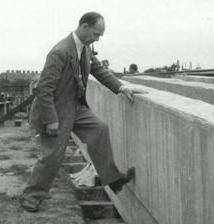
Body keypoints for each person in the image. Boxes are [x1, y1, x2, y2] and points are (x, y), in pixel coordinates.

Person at [20, 11, 146, 212]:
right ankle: (31, 198)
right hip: (55, 110)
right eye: (96, 34)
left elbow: (100, 71)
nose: (97, 39)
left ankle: (113, 180)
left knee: (100, 130)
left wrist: (122, 88)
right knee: (52, 157)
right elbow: (44, 89)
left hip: (76, 107)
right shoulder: (60, 51)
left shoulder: (86, 49)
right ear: (84, 27)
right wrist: (51, 120)